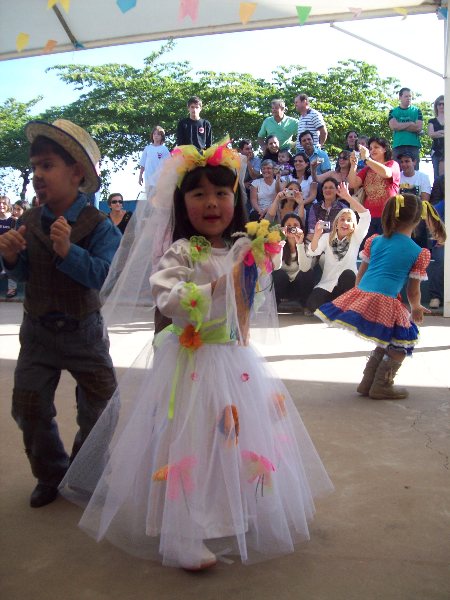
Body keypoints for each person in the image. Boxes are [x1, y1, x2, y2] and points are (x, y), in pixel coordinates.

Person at [60, 141, 333, 570]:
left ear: (236, 200)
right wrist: (217, 288)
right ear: (182, 203)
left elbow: (247, 307)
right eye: (199, 194)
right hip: (191, 362)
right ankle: (182, 533)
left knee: (234, 439)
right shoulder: (182, 252)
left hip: (233, 360)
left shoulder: (245, 247)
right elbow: (167, 296)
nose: (212, 203)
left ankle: (234, 511)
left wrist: (245, 298)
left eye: (222, 194)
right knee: (189, 441)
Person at [0, 119, 121, 508]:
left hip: (84, 330)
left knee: (102, 408)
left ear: (76, 173)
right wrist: (11, 258)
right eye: (34, 167)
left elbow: (104, 277)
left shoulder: (100, 226)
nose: (37, 174)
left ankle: (84, 474)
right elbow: (25, 273)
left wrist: (71, 252)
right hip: (37, 332)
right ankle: (51, 472)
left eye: (47, 165)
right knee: (28, 405)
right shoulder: (30, 220)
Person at [315, 193, 446, 400]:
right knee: (403, 342)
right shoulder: (417, 252)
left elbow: (361, 274)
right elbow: (412, 290)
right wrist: (417, 307)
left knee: (386, 338)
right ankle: (382, 384)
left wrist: (360, 297)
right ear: (418, 218)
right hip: (385, 298)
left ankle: (368, 382)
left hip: (364, 292)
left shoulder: (375, 241)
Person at [305, 183, 370, 313]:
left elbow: (366, 215)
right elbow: (312, 251)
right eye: (342, 219)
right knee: (312, 305)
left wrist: (347, 197)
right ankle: (337, 306)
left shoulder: (356, 237)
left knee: (348, 275)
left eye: (349, 220)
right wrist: (317, 235)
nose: (345, 223)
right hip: (328, 284)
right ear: (336, 223)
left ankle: (341, 306)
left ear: (353, 226)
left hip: (347, 286)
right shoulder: (327, 236)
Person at [347, 137, 400, 238]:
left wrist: (367, 159)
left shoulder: (392, 164)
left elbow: (386, 173)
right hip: (368, 217)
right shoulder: (367, 168)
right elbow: (352, 184)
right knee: (367, 250)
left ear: (385, 149)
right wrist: (353, 165)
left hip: (387, 216)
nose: (372, 150)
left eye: (376, 147)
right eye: (370, 148)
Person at [272, 212, 314, 310]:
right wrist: (280, 243)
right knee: (278, 273)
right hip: (283, 287)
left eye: (295, 226)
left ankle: (305, 305)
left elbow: (305, 268)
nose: (292, 228)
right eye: (288, 226)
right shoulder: (278, 243)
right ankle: (276, 304)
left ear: (301, 229)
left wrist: (299, 244)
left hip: (299, 287)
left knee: (308, 272)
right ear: (283, 228)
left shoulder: (308, 245)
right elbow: (276, 267)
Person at [388, 87, 423, 168]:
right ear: (400, 97)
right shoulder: (393, 112)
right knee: (398, 172)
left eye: (410, 96)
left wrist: (400, 126)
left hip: (413, 145)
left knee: (414, 172)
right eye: (406, 96)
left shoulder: (417, 111)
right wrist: (410, 123)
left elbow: (418, 127)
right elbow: (393, 126)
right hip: (398, 145)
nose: (408, 98)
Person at [138, 125, 170, 198]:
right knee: (150, 201)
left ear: (162, 136)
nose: (156, 136)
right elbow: (143, 164)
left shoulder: (164, 149)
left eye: (158, 134)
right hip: (149, 180)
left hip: (161, 181)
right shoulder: (147, 148)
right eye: (154, 134)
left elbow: (169, 165)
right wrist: (140, 176)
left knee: (159, 201)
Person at [0, 195, 18, 298]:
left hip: (9, 247)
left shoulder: (13, 220)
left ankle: (12, 289)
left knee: (12, 260)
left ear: (8, 205)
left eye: (3, 203)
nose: (1, 205)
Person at [428, 95, 445, 180]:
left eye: (444, 104)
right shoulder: (432, 121)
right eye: (439, 104)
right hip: (436, 151)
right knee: (437, 177)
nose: (441, 106)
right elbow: (431, 134)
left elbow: (435, 134)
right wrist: (443, 133)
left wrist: (438, 133)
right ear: (436, 106)